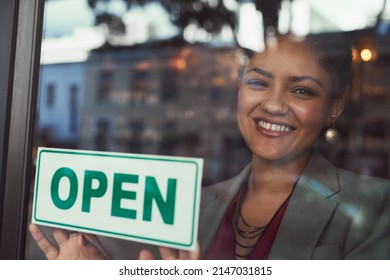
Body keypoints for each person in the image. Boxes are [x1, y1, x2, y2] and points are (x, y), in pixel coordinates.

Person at [29, 32, 390, 260]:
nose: (274, 104)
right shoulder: (194, 206)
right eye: (258, 82)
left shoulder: (375, 208)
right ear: (239, 91)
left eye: (301, 90)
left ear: (335, 107)